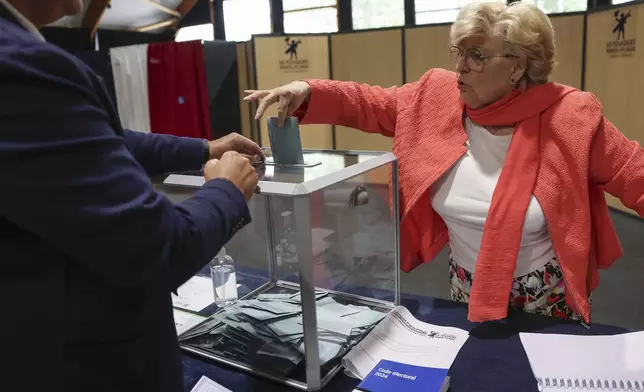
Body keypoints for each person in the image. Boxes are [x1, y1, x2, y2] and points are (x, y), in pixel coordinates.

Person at [246, 1, 644, 327]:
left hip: (547, 296)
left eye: (477, 55)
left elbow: (634, 173)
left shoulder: (571, 117)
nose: (461, 66)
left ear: (518, 66)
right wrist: (307, 90)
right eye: (459, 52)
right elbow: (369, 103)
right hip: (465, 286)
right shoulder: (438, 95)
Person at [0, 1, 262, 391]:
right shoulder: (21, 65)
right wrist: (226, 191)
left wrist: (203, 148)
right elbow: (158, 246)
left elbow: (99, 139)